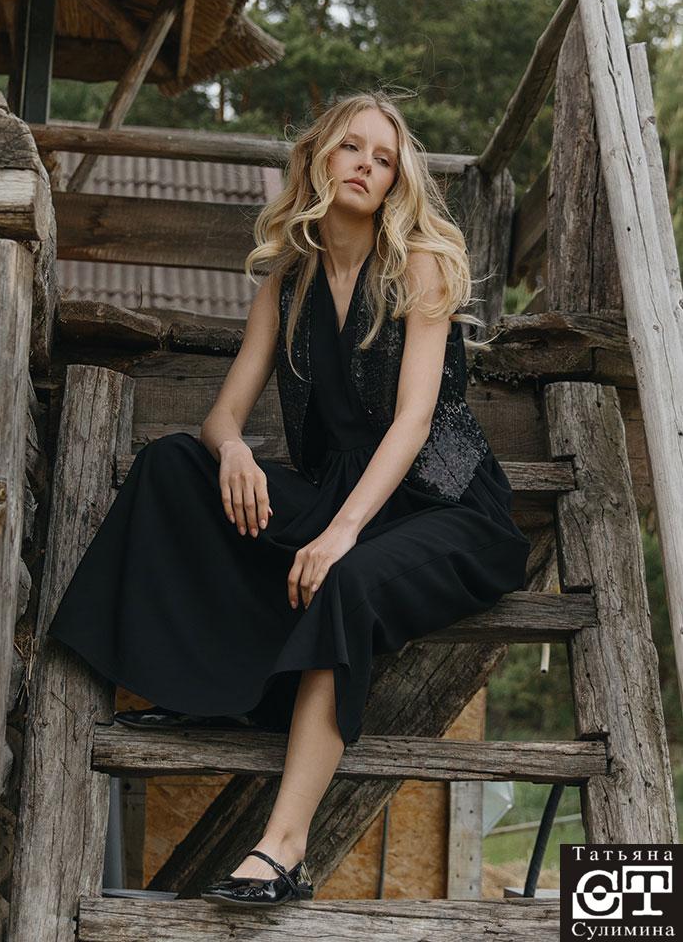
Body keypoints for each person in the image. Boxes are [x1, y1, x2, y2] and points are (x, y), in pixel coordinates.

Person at [46, 89, 531, 908]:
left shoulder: (419, 265)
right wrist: (235, 451)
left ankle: (284, 850)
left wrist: (341, 534)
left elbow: (414, 421)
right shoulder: (288, 282)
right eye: (352, 147)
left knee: (348, 578)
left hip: (447, 509)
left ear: (396, 181)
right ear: (318, 158)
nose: (367, 166)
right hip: (342, 498)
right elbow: (221, 415)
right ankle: (196, 690)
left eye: (384, 158)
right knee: (173, 464)